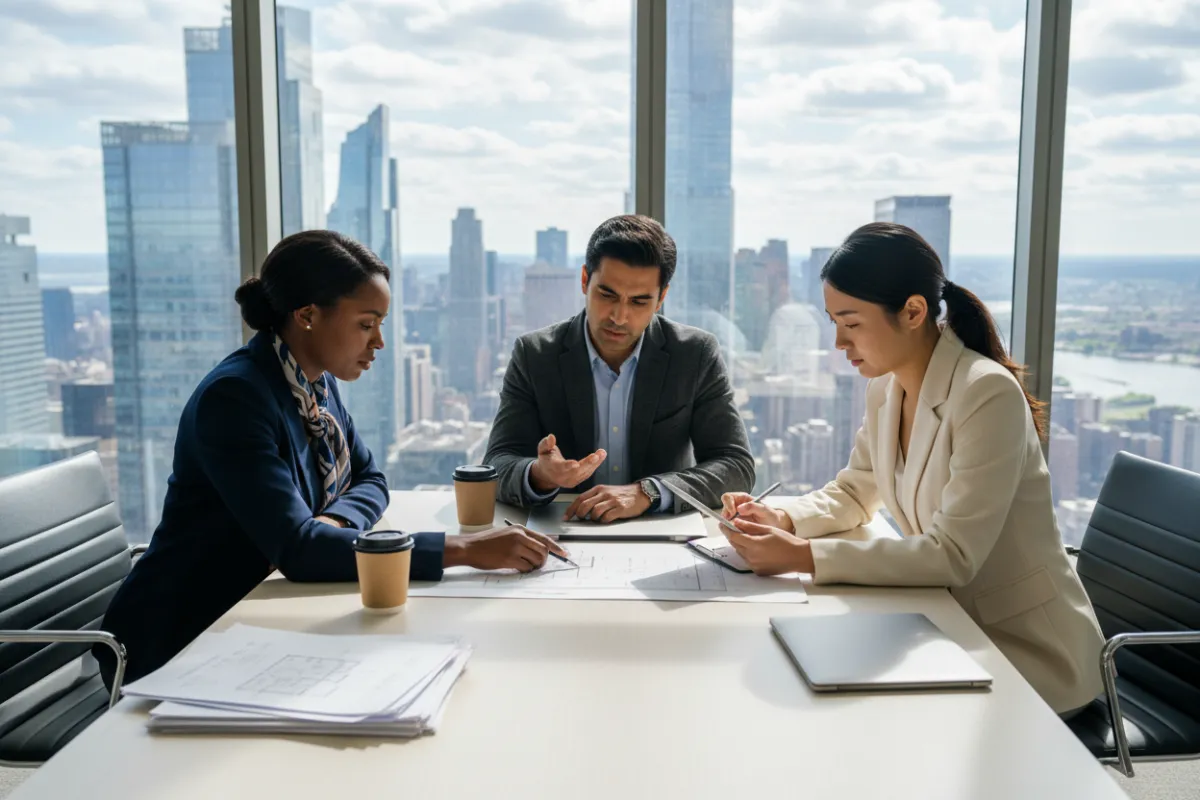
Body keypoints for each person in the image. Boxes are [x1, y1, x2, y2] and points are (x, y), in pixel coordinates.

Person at [96, 230, 565, 689]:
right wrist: (466, 549)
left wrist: (333, 525)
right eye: (366, 324)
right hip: (182, 637)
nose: (378, 342)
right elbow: (300, 552)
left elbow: (371, 478)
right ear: (306, 316)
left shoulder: (313, 382)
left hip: (259, 618)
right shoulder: (237, 398)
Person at [721, 222, 1104, 716]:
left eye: (852, 322)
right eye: (834, 320)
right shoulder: (886, 387)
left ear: (913, 312)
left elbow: (953, 556)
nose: (838, 341)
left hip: (1024, 653)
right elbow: (856, 493)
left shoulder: (986, 393)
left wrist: (802, 556)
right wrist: (782, 519)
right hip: (944, 623)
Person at [485, 214, 755, 522]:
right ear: (585, 280)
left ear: (661, 298)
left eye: (639, 302)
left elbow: (736, 465)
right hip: (564, 530)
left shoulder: (694, 355)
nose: (619, 316)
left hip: (661, 534)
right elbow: (496, 463)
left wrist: (648, 493)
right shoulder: (534, 355)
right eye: (607, 294)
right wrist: (539, 474)